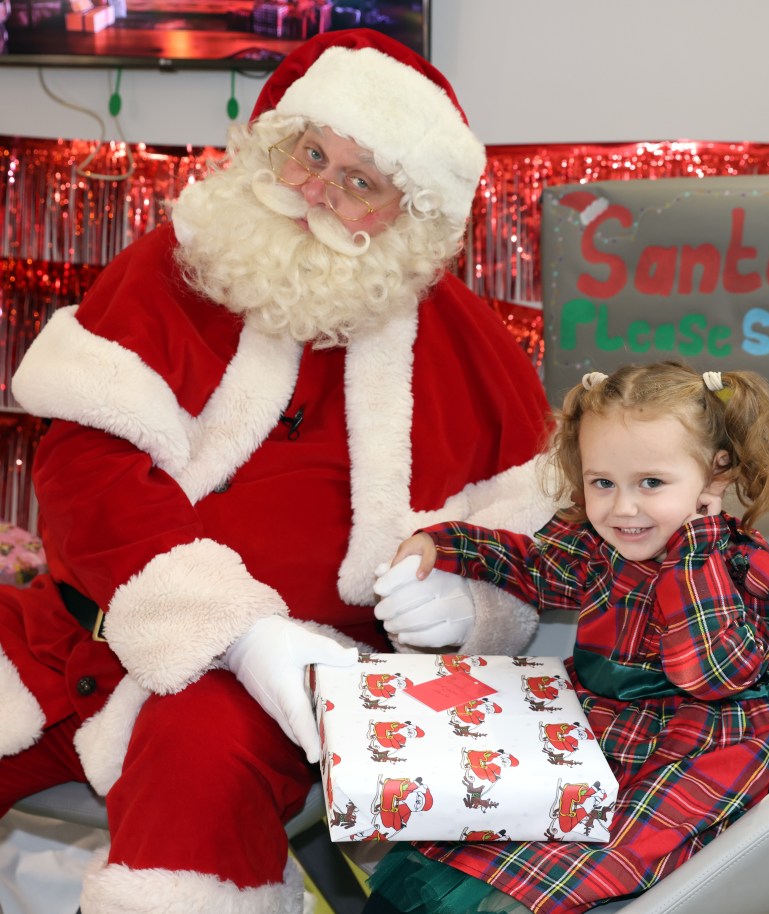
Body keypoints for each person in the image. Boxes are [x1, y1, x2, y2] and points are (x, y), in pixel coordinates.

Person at [0, 29, 556, 913]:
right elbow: (81, 466)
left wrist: (471, 601)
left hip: (272, 692)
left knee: (198, 782)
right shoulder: (177, 266)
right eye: (310, 154)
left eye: (359, 180)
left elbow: (529, 546)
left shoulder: (472, 352)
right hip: (67, 636)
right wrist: (234, 627)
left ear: (407, 217)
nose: (315, 193)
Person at [366, 361, 769, 914]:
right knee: (473, 829)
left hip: (710, 742)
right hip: (609, 719)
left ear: (715, 477)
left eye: (651, 482)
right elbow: (529, 564)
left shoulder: (744, 566)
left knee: (568, 861)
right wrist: (444, 542)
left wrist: (693, 548)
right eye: (603, 482)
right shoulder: (600, 549)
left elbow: (708, 671)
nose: (623, 507)